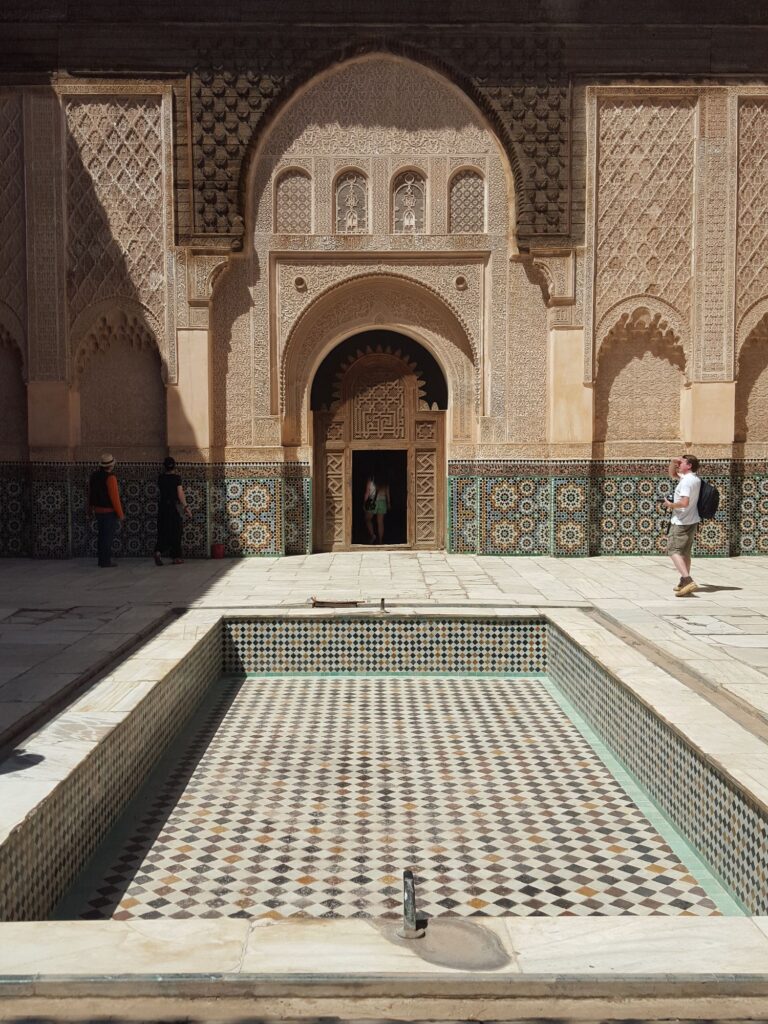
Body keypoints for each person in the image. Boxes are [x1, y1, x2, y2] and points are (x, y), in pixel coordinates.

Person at [663, 454, 701, 596]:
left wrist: (670, 505)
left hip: (681, 521)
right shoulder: (694, 479)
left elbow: (684, 503)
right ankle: (683, 581)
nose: (679, 464)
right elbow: (673, 473)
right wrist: (674, 461)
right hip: (692, 520)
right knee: (685, 552)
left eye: (682, 462)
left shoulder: (686, 482)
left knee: (672, 550)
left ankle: (687, 579)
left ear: (689, 465)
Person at [87, 453, 124, 568]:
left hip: (97, 511)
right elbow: (114, 497)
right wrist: (120, 514)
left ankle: (101, 560)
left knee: (101, 536)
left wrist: (90, 509)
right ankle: (105, 561)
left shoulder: (94, 476)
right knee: (107, 537)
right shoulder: (111, 477)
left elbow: (90, 494)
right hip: (108, 512)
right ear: (111, 465)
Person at [154, 456, 192, 565]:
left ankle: (158, 551)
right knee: (177, 531)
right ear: (174, 466)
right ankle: (176, 557)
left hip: (162, 507)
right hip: (172, 507)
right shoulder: (176, 478)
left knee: (163, 530)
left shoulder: (160, 478)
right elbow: (180, 494)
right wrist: (186, 507)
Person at [363, 470, 391, 544]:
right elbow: (388, 495)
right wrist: (388, 504)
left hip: (372, 502)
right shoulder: (385, 482)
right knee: (380, 523)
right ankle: (381, 541)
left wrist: (364, 503)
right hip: (382, 502)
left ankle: (372, 535)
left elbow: (367, 493)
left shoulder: (371, 480)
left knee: (368, 519)